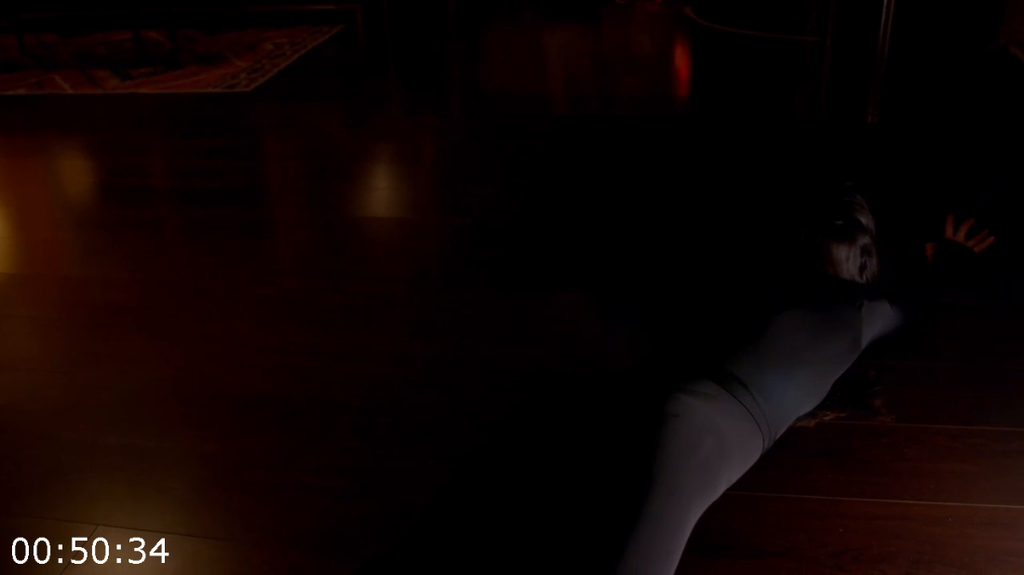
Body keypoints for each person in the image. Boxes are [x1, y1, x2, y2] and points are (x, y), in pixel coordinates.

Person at [613, 198, 995, 575]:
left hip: (666, 398)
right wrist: (946, 260)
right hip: (699, 432)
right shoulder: (859, 314)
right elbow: (915, 308)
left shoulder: (756, 284)